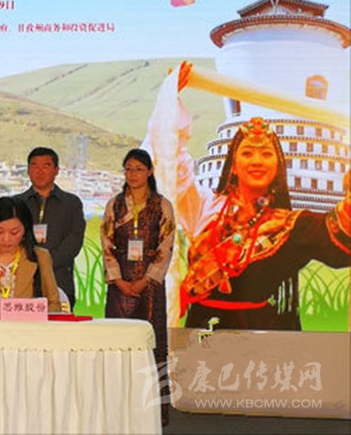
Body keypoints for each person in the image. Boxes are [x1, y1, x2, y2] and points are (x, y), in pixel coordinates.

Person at [175, 116, 350, 330]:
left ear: (277, 165)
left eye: (266, 154)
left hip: (259, 335)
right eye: (247, 153)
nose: (257, 161)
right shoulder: (204, 205)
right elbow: (169, 158)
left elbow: (338, 235)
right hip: (202, 333)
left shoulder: (292, 226)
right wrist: (172, 99)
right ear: (233, 165)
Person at [101, 148, 175, 425]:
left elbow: (166, 247)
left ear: (150, 172)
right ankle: (116, 411)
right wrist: (119, 280)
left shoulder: (162, 205)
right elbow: (106, 245)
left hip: (150, 286)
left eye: (139, 169)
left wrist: (146, 279)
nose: (133, 175)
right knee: (117, 345)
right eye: (128, 169)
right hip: (119, 285)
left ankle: (153, 413)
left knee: (151, 345)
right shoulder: (114, 205)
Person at [16, 147, 86, 308]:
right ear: (28, 170)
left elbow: (74, 241)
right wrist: (30, 264)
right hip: (23, 279)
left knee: (58, 323)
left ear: (56, 170)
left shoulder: (71, 203)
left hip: (59, 279)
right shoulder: (17, 203)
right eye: (35, 165)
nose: (40, 171)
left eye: (46, 166)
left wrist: (45, 263)